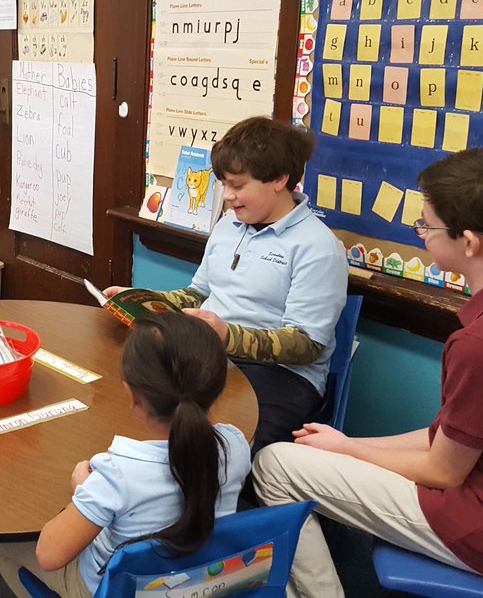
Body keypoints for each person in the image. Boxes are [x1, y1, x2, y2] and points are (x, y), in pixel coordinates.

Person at [254, 147, 483, 595]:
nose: (420, 232)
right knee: (317, 456)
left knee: (276, 465)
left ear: (470, 243)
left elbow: (444, 471)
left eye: (427, 225)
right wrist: (347, 445)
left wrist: (348, 452)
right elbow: (450, 434)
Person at [105, 116, 347, 454]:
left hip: (280, 376)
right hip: (212, 352)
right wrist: (145, 300)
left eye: (237, 185)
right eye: (224, 185)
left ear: (280, 179)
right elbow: (197, 293)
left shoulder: (319, 248)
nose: (228, 197)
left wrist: (227, 335)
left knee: (212, 449)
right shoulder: (229, 225)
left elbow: (306, 344)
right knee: (137, 402)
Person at [0, 312, 251, 597]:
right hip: (201, 580)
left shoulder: (116, 474)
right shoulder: (235, 445)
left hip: (116, 588)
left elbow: (49, 555)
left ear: (132, 394)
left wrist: (83, 491)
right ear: (218, 385)